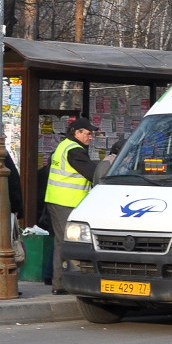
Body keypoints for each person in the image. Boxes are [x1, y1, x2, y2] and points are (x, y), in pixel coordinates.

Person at [45, 117, 98, 293]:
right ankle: (60, 284)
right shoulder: (75, 150)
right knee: (65, 244)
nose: (90, 137)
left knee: (62, 242)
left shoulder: (63, 146)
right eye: (88, 134)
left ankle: (61, 281)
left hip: (59, 200)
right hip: (67, 202)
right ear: (77, 132)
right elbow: (92, 174)